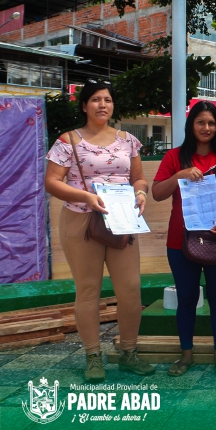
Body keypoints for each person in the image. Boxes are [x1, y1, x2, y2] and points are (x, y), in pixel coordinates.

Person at [45, 79, 155, 383]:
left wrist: (142, 194)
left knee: (131, 289)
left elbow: (139, 179)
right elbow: (52, 182)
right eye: (95, 99)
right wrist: (86, 197)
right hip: (81, 220)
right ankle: (93, 356)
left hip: (121, 220)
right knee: (89, 290)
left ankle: (129, 352)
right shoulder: (68, 141)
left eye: (107, 99)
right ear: (84, 105)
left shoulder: (128, 141)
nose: (102, 105)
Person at [152, 101, 216, 378]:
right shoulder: (175, 157)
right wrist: (180, 175)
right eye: (200, 122)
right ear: (190, 125)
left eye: (211, 123)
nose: (206, 128)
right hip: (180, 241)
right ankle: (186, 355)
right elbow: (157, 192)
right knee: (187, 298)